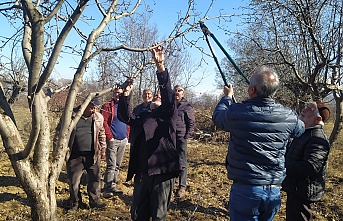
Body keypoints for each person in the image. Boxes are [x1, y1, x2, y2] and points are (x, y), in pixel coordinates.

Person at [212, 66, 305, 221]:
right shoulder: (289, 115)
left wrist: (227, 98)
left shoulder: (237, 112)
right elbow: (300, 129)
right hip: (274, 190)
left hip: (246, 189)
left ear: (252, 90)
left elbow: (218, 117)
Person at [117, 43, 181, 221]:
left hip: (162, 174)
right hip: (142, 174)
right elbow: (124, 116)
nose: (157, 98)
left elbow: (168, 97)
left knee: (159, 216)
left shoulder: (168, 116)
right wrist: (125, 95)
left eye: (160, 97)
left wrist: (160, 67)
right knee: (138, 215)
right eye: (155, 97)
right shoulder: (144, 117)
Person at [282, 101, 331, 221]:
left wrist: (283, 167)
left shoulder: (317, 138)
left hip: (303, 192)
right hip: (296, 188)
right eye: (306, 107)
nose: (304, 110)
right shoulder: (305, 132)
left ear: (317, 118)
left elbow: (310, 167)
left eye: (309, 109)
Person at [59, 97, 107, 210]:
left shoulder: (98, 117)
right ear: (85, 105)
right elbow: (59, 132)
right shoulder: (71, 115)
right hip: (74, 156)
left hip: (92, 155)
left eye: (95, 108)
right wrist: (59, 150)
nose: (93, 110)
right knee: (74, 182)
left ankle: (94, 201)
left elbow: (102, 133)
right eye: (91, 107)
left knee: (95, 179)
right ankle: (75, 202)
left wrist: (103, 148)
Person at [101, 87, 130, 198]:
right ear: (113, 94)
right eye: (116, 93)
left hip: (123, 140)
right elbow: (104, 122)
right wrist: (110, 137)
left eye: (120, 93)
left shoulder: (124, 106)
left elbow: (127, 121)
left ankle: (113, 185)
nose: (118, 95)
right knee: (111, 165)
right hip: (113, 140)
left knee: (117, 165)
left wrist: (127, 136)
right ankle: (107, 188)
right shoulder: (107, 106)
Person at [173, 85, 195, 198]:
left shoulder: (187, 106)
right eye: (175, 90)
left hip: (181, 137)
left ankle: (182, 185)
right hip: (171, 137)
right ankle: (174, 181)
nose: (177, 92)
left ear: (183, 93)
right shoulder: (171, 104)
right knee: (172, 160)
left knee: (182, 161)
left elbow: (191, 123)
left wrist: (187, 136)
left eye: (179, 91)